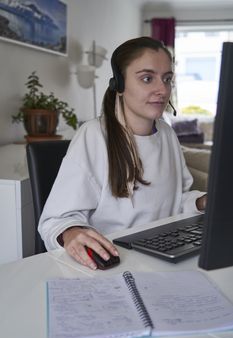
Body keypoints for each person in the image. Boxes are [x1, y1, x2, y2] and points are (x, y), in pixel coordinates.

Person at [38, 36, 206, 270]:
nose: (162, 89)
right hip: (113, 264)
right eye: (147, 78)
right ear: (119, 83)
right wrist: (71, 232)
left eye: (167, 79)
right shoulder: (94, 135)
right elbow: (55, 221)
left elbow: (176, 200)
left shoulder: (167, 134)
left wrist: (202, 201)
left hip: (165, 256)